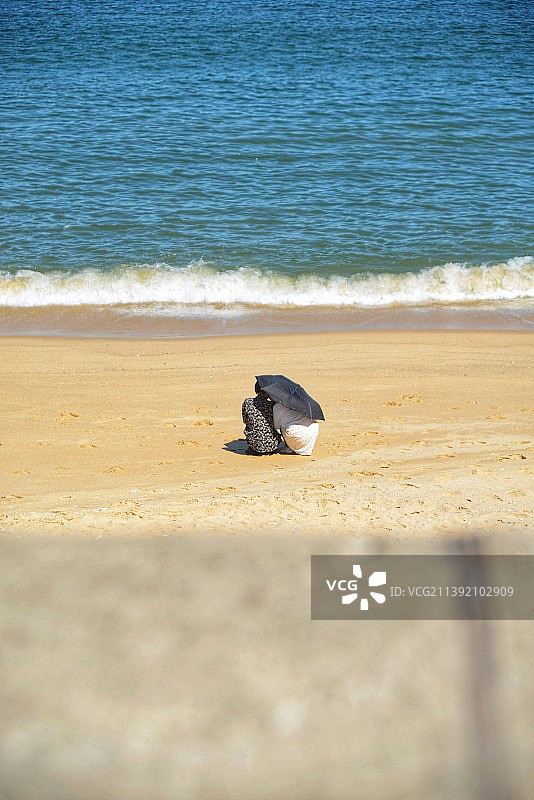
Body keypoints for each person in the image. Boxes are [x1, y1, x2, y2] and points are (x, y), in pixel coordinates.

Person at [241, 382, 281, 455]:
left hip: (254, 444)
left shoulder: (247, 402)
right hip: (272, 445)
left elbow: (245, 420)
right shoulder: (272, 405)